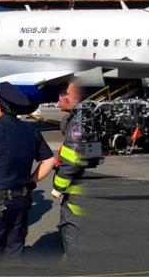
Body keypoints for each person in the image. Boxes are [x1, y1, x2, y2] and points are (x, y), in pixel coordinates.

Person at [0, 82, 55, 262]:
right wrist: (31, 181)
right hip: (20, 200)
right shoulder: (32, 132)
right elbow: (49, 160)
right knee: (14, 251)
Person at [51, 81, 89, 260]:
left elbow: (71, 160)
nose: (59, 98)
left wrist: (58, 186)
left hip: (77, 194)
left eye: (63, 94)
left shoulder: (77, 124)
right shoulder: (84, 118)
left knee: (71, 228)